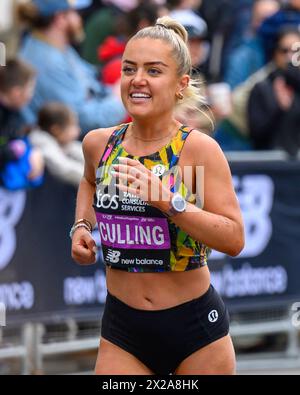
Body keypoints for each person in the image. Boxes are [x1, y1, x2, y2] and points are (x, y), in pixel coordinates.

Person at [71, 16, 244, 375]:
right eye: (129, 68)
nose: (138, 80)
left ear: (181, 84)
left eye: (153, 71)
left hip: (195, 331)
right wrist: (81, 227)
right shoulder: (100, 143)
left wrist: (165, 199)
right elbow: (89, 180)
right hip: (123, 331)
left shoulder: (199, 150)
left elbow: (233, 238)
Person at [17, 0, 127, 135]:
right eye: (74, 13)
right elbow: (81, 121)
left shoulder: (56, 47)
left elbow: (92, 79)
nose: (79, 18)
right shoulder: (48, 62)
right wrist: (120, 98)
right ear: (60, 19)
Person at [248, 27, 300, 155]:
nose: (290, 56)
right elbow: (256, 135)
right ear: (275, 53)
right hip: (271, 166)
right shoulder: (261, 88)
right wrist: (280, 109)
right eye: (284, 50)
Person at [0, 58, 44, 190]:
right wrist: (12, 151)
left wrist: (33, 152)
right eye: (30, 89)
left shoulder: (15, 113)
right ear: (16, 92)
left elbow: (19, 138)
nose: (31, 96)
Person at [29, 103, 84, 186]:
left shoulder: (61, 141)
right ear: (56, 129)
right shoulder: (42, 142)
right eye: (73, 126)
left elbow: (82, 152)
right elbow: (65, 169)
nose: (78, 130)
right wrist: (96, 177)